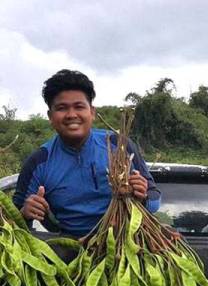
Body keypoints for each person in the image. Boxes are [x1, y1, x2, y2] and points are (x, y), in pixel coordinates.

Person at [12, 69, 160, 238]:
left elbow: (155, 200)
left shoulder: (119, 146)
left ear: (92, 112)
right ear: (50, 116)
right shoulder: (38, 161)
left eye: (79, 106)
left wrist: (143, 195)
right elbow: (14, 221)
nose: (71, 115)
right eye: (61, 108)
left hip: (125, 243)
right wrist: (25, 212)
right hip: (70, 250)